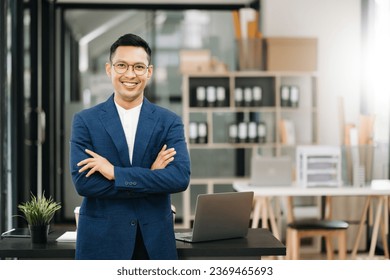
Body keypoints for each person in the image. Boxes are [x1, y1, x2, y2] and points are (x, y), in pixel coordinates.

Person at [69, 33, 191, 260]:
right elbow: (84, 184)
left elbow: (179, 178)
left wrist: (114, 173)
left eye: (138, 67)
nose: (130, 74)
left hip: (154, 243)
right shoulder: (85, 121)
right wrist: (151, 177)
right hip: (101, 242)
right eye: (122, 65)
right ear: (109, 69)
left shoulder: (169, 121)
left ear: (149, 72)